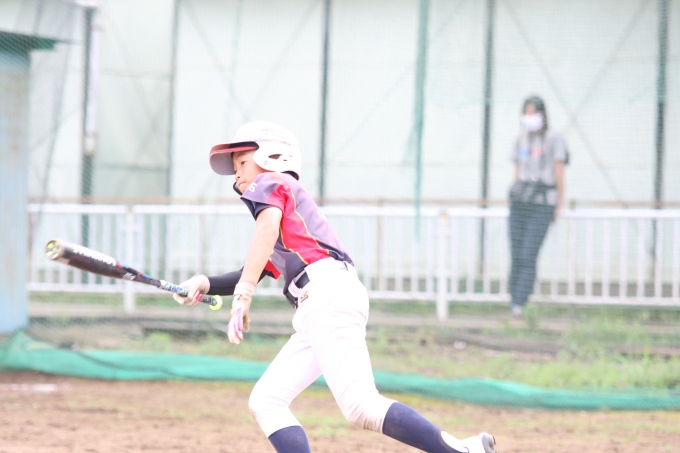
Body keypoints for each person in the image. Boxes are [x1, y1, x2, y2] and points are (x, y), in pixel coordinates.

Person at [173, 121, 497, 453]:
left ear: (272, 157)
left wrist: (244, 293)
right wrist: (205, 283)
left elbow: (264, 235)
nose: (237, 174)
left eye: (242, 162)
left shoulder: (271, 181)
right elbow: (257, 266)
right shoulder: (289, 216)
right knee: (267, 400)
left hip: (325, 296)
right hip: (321, 300)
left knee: (361, 405)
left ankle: (464, 451)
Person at [507, 96, 568, 318]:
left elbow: (559, 170)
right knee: (516, 253)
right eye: (526, 113)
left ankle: (520, 303)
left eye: (533, 113)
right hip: (520, 202)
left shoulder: (554, 139)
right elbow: (517, 171)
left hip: (542, 204)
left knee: (528, 254)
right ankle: (513, 300)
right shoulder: (521, 139)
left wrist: (559, 203)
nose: (529, 117)